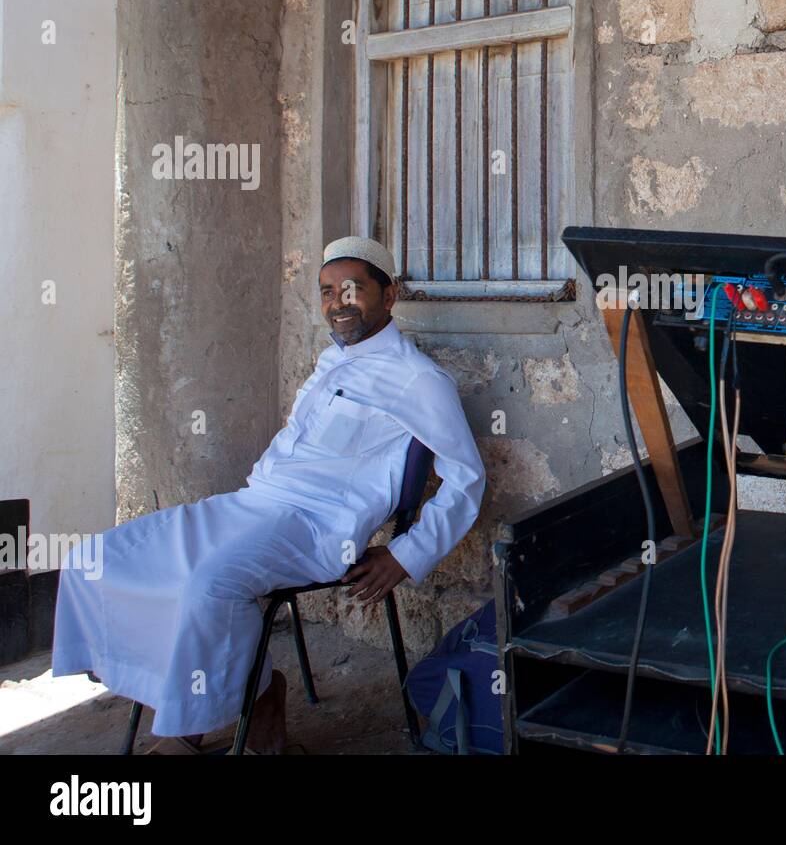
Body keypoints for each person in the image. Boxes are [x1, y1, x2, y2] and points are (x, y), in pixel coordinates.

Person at [52, 237, 486, 753]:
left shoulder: (419, 380)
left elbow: (467, 476)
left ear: (388, 296)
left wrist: (405, 554)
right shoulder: (332, 361)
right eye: (327, 292)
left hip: (315, 528)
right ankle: (223, 698)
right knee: (93, 561)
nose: (337, 304)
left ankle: (219, 719)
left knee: (209, 588)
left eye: (352, 289)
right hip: (251, 505)